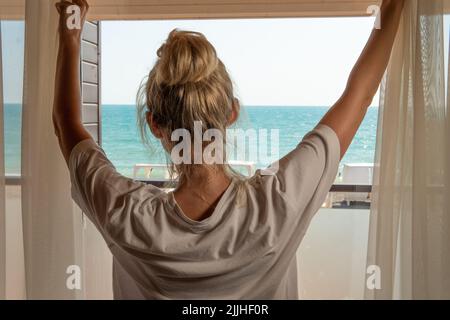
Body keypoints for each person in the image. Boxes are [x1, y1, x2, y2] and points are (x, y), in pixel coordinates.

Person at [53, 0, 405, 299]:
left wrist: (70, 33)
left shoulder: (126, 214)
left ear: (154, 125)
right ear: (232, 112)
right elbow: (357, 97)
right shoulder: (278, 201)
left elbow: (66, 122)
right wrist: (393, 7)